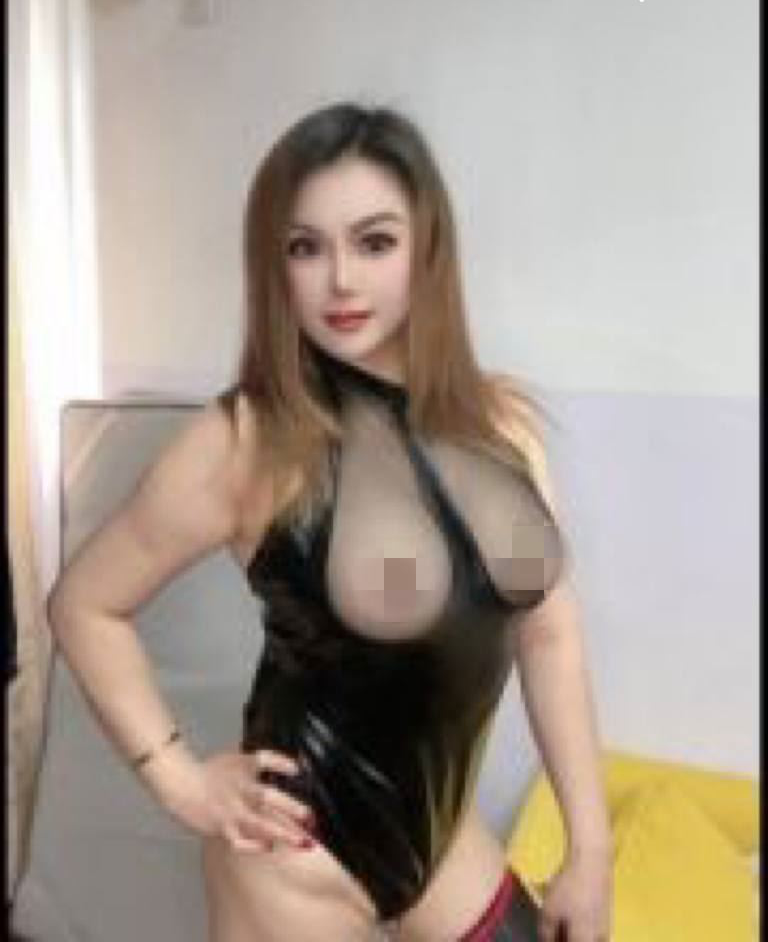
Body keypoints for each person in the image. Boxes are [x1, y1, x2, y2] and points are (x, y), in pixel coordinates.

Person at [47, 102, 613, 942]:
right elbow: (84, 606)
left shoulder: (505, 428)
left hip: (442, 845)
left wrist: (591, 849)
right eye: (305, 248)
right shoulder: (245, 440)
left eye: (374, 242)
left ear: (427, 249)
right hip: (295, 865)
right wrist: (179, 780)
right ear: (273, 266)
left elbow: (549, 635)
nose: (341, 280)